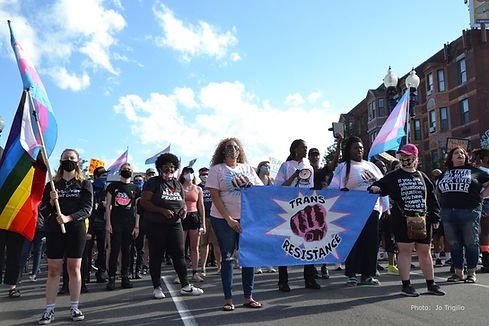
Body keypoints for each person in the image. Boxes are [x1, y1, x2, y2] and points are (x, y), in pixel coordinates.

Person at [369, 144, 445, 296]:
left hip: (423, 220)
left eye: (408, 156)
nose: (405, 159)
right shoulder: (394, 176)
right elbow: (380, 186)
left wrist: (436, 216)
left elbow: (432, 198)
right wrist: (375, 188)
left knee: (425, 251)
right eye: (402, 156)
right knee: (405, 251)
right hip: (402, 219)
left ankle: (431, 284)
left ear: (416, 159)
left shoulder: (423, 177)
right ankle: (406, 285)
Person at [207, 137, 263, 311]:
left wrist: (250, 186)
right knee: (228, 257)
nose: (233, 150)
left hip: (246, 219)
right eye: (230, 147)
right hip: (222, 219)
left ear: (240, 151)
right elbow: (215, 197)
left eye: (236, 147)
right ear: (223, 151)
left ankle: (248, 297)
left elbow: (261, 190)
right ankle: (228, 299)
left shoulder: (247, 169)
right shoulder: (216, 170)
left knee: (248, 258)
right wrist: (229, 220)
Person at [38, 148, 93, 324]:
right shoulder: (52, 185)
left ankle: (75, 307)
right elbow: (43, 210)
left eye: (72, 158)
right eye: (65, 158)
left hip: (76, 229)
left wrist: (69, 218)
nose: (68, 160)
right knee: (54, 270)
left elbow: (87, 209)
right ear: (60, 161)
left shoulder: (84, 184)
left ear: (77, 162)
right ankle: (49, 310)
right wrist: (52, 203)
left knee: (73, 268)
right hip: (54, 230)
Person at [140, 153, 203, 299]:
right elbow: (144, 202)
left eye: (172, 167)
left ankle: (186, 286)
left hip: (175, 224)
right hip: (156, 224)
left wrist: (184, 210)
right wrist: (162, 211)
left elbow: (182, 202)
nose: (169, 169)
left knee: (179, 254)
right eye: (166, 166)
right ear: (160, 167)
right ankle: (157, 287)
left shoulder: (177, 184)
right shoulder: (153, 183)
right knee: (156, 255)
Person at [329, 136, 388, 287]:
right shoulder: (343, 168)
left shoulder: (372, 167)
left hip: (372, 209)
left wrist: (387, 208)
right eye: (356, 147)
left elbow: (383, 187)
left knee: (371, 243)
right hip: (352, 211)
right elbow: (332, 188)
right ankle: (352, 275)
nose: (359, 150)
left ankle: (368, 275)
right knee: (354, 242)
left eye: (361, 147)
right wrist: (341, 194)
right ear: (349, 150)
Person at [436, 146, 489, 283]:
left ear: (466, 157)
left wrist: (482, 195)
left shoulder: (475, 171)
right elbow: (439, 190)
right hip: (448, 211)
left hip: (469, 210)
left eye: (462, 153)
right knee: (454, 243)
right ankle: (458, 273)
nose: (459, 154)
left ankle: (471, 273)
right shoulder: (445, 173)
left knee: (471, 242)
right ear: (451, 158)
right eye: (456, 153)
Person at [275, 139, 321, 292]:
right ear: (295, 149)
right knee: (287, 243)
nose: (306, 150)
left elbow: (311, 187)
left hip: (305, 207)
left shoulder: (309, 167)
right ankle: (283, 280)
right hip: (288, 207)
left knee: (310, 240)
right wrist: (294, 176)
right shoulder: (286, 166)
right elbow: (279, 188)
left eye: (307, 147)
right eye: (303, 147)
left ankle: (309, 278)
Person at [308, 134, 343, 279]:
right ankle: (311, 268)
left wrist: (339, 143)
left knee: (324, 237)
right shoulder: (305, 173)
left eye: (317, 154)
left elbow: (334, 162)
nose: (315, 157)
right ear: (309, 157)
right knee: (311, 238)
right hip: (309, 208)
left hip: (324, 208)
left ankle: (324, 266)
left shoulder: (324, 171)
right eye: (312, 155)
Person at [105, 163, 140, 290]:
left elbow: (137, 209)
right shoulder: (112, 186)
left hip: (129, 223)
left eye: (129, 170)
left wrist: (136, 226)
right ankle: (112, 277)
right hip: (115, 222)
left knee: (127, 251)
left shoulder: (135, 188)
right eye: (124, 169)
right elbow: (108, 206)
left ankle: (125, 276)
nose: (127, 171)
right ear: (120, 172)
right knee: (114, 250)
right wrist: (108, 223)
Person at [179, 166, 206, 282]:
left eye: (191, 172)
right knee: (180, 248)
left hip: (194, 217)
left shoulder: (198, 189)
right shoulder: (179, 188)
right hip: (182, 218)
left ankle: (195, 272)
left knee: (194, 247)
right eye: (187, 172)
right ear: (183, 175)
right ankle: (180, 273)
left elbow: (201, 206)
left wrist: (203, 224)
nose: (189, 175)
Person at [86, 167, 108, 283]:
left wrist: (107, 206)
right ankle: (86, 273)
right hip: (90, 222)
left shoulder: (107, 189)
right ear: (96, 177)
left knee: (102, 249)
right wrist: (99, 205)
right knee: (87, 250)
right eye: (102, 176)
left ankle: (101, 273)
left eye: (106, 176)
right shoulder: (89, 187)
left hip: (103, 223)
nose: (104, 178)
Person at [198, 167, 221, 276]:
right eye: (202, 174)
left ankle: (219, 266)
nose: (205, 176)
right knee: (203, 243)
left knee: (216, 244)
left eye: (206, 174)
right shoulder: (198, 188)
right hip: (203, 218)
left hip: (215, 216)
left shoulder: (214, 186)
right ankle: (203, 267)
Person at [254, 161, 276, 274]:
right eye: (265, 166)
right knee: (258, 239)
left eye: (269, 166)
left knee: (269, 239)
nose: (267, 168)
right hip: (257, 212)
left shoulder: (271, 180)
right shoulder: (254, 179)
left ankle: (269, 264)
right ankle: (257, 265)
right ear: (260, 167)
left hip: (268, 212)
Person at [474, 148, 489, 272]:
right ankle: (486, 259)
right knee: (484, 232)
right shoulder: (478, 171)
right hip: (484, 203)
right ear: (484, 158)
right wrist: (482, 197)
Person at [0, 229, 24, 298]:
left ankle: (12, 287)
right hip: (14, 224)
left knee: (15, 255)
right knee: (15, 255)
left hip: (16, 224)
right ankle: (12, 288)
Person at [130, 174, 145, 279]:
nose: (138, 182)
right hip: (129, 222)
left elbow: (140, 211)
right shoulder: (130, 193)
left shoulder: (144, 195)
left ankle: (138, 270)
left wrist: (137, 226)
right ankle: (129, 271)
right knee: (130, 249)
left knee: (141, 249)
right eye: (136, 181)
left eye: (140, 180)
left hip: (141, 224)